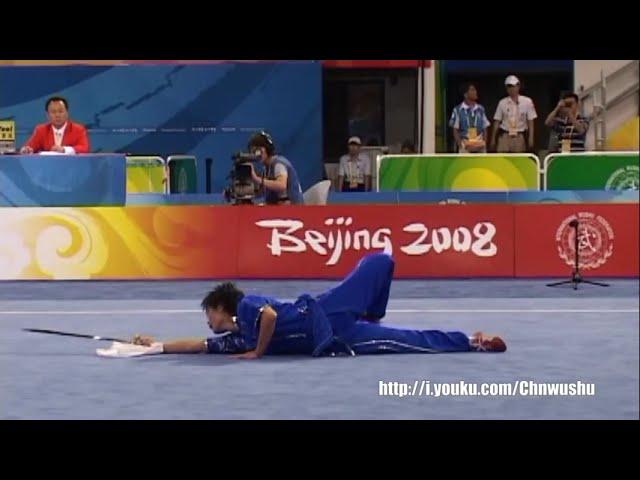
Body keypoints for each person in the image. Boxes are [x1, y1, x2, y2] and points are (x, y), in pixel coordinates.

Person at [132, 252, 507, 357]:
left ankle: (371, 308)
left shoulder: (246, 308)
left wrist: (258, 353)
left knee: (380, 261)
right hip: (335, 338)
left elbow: (270, 316)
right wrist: (157, 346)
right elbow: (196, 345)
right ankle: (471, 341)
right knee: (406, 341)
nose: (206, 321)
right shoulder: (233, 341)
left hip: (325, 309)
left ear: (220, 307)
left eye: (207, 312)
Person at [19, 96, 90, 154]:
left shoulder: (78, 129)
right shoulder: (41, 130)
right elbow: (29, 147)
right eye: (53, 112)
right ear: (47, 115)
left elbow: (84, 148)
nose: (57, 115)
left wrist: (64, 149)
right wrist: (26, 150)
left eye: (61, 111)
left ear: (67, 113)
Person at [247, 131, 303, 204]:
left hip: (293, 209)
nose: (256, 153)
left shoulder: (279, 164)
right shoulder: (266, 168)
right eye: (253, 151)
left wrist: (257, 179)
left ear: (267, 148)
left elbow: (281, 185)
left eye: (258, 149)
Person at [490, 75, 537, 153]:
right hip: (505, 135)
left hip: (519, 135)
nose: (512, 89)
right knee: (502, 159)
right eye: (509, 87)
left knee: (518, 159)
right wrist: (493, 139)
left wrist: (531, 138)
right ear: (506, 89)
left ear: (518, 86)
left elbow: (530, 121)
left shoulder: (527, 101)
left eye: (514, 86)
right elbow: (497, 121)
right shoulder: (502, 102)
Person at [449, 82, 491, 153]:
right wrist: (461, 145)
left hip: (480, 145)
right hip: (465, 145)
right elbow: (455, 130)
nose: (475, 92)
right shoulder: (458, 110)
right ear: (465, 94)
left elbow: (485, 127)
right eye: (472, 90)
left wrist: (484, 143)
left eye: (475, 90)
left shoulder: (480, 109)